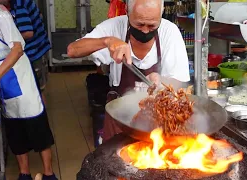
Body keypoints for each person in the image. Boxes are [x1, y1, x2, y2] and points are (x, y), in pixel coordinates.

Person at [67, 0, 190, 142]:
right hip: (119, 117)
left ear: (160, 15)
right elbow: (72, 50)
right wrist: (107, 41)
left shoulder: (170, 32)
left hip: (158, 120)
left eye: (152, 25)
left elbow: (179, 80)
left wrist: (162, 80)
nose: (145, 30)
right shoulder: (114, 26)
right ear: (127, 11)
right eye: (139, 24)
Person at [0, 2, 57, 180]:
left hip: (19, 72)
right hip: (2, 76)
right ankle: (24, 174)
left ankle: (48, 174)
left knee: (36, 123)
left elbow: (17, 49)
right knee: (14, 126)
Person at [0, 0, 51, 94]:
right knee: (35, 90)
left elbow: (28, 33)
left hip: (35, 53)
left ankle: (41, 108)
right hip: (34, 51)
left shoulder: (20, 5)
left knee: (37, 91)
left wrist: (8, 40)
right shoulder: (12, 4)